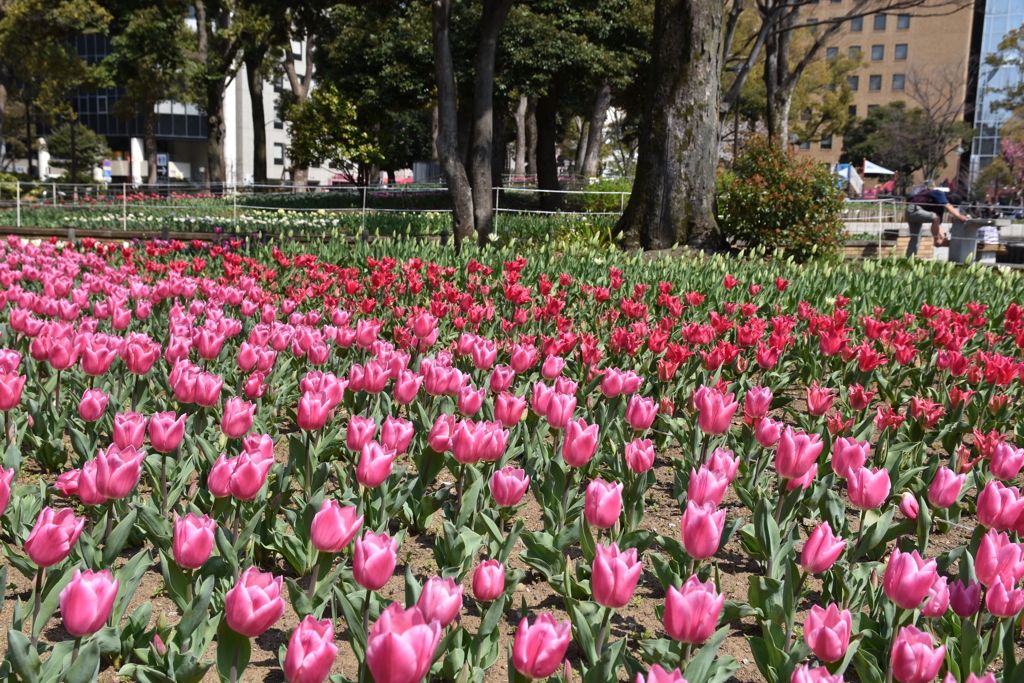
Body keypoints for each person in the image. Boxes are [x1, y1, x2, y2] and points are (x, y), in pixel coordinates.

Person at [904, 183, 968, 256]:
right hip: (913, 210)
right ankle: (936, 240)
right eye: (953, 206)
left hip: (914, 213)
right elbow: (947, 206)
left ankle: (909, 258)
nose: (953, 207)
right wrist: (959, 216)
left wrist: (943, 238)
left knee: (916, 238)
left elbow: (939, 224)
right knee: (935, 217)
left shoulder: (939, 207)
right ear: (951, 202)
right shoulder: (939, 193)